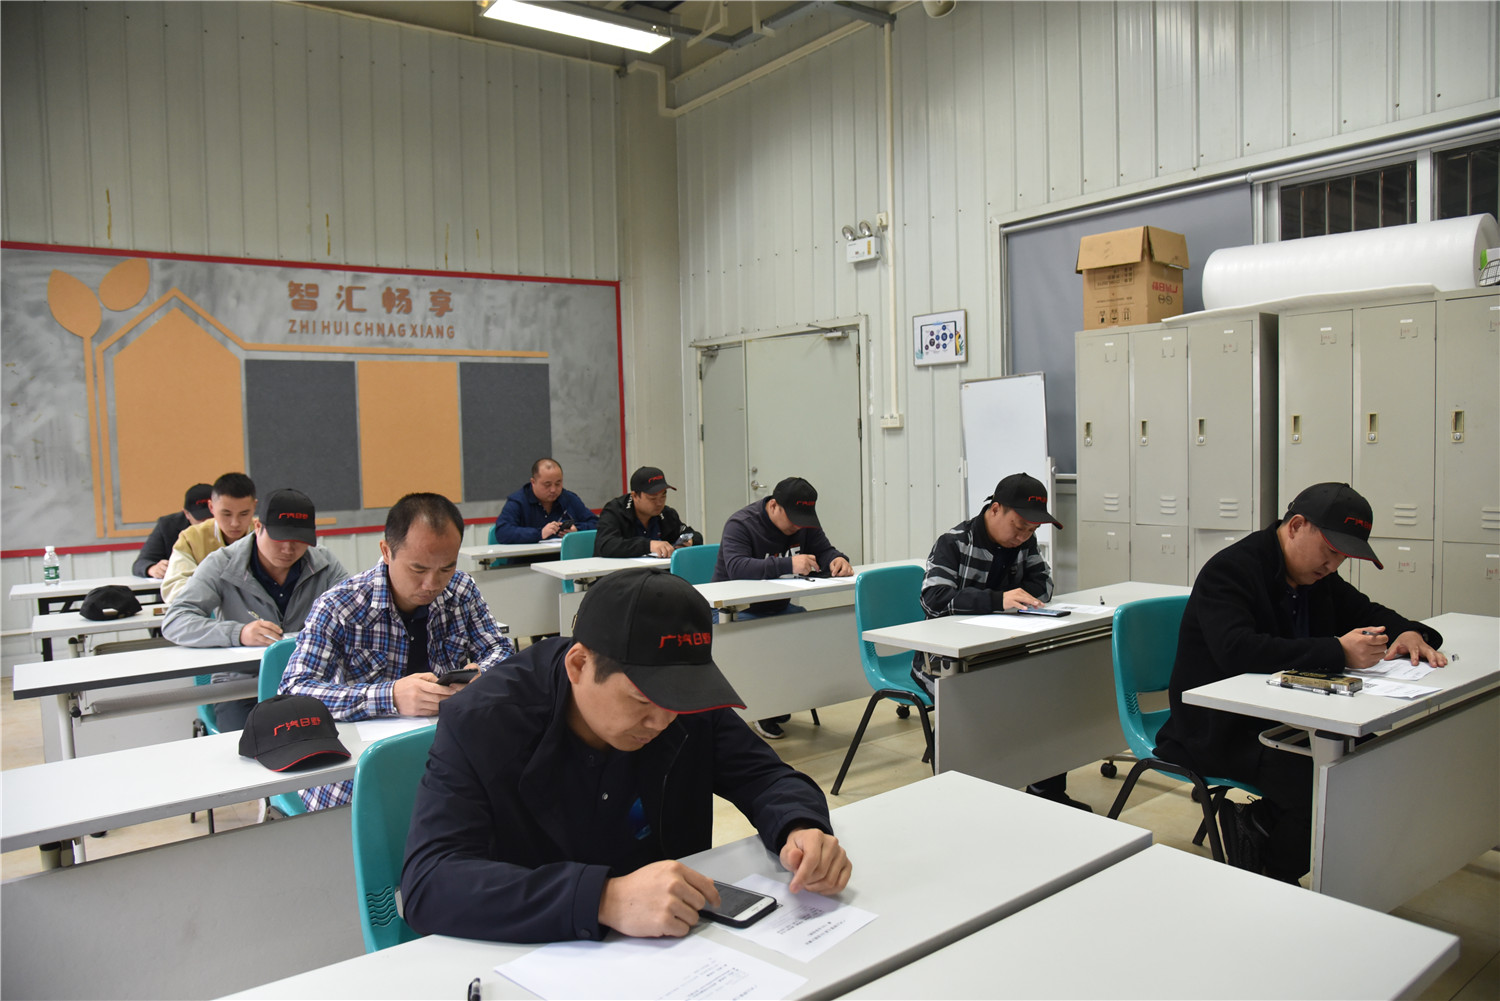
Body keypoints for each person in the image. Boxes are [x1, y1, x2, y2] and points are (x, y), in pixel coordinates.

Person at [401, 568, 852, 944]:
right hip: (547, 952)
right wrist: (602, 899)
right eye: (642, 700)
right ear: (579, 666)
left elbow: (766, 777)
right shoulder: (485, 721)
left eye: (678, 699)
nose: (662, 720)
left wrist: (800, 826)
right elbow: (430, 883)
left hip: (680, 946)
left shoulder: (682, 705)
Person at [1154, 482, 1446, 882]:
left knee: (1373, 763)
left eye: (1342, 558)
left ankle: (1263, 826)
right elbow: (1238, 650)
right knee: (1320, 782)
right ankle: (1276, 877)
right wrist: (1338, 651)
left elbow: (1368, 612)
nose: (1333, 566)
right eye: (1330, 551)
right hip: (1221, 727)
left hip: (1292, 717)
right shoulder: (1232, 570)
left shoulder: (1315, 578)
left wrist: (1410, 633)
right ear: (1295, 526)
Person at [279, 492, 517, 809]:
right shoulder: (340, 605)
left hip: (447, 752)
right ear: (386, 551)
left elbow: (501, 651)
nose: (432, 584)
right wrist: (390, 697)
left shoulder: (461, 590)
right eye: (418, 569)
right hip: (362, 766)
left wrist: (481, 676)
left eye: (446, 568)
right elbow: (294, 691)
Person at [913, 472, 1088, 810]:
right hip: (945, 662)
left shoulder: (1023, 543)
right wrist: (999, 600)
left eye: (1032, 531)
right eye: (1019, 527)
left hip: (1005, 652)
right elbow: (933, 599)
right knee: (973, 706)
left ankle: (1046, 792)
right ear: (995, 509)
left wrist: (1019, 598)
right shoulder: (954, 542)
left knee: (1052, 698)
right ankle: (961, 801)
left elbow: (1044, 585)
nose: (1023, 536)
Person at [162, 489, 350, 731]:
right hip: (242, 685)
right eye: (280, 539)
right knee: (252, 745)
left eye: (299, 540)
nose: (289, 549)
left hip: (309, 680)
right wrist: (238, 633)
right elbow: (175, 620)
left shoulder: (323, 563)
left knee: (332, 742)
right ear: (258, 526)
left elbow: (353, 613)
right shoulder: (222, 563)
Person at [711, 476, 851, 740]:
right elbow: (737, 567)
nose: (798, 526)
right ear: (774, 505)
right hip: (734, 612)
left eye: (803, 520)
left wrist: (837, 559)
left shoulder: (804, 524)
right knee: (764, 638)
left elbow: (824, 550)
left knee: (809, 627)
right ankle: (763, 706)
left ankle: (785, 697)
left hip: (776, 609)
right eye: (793, 519)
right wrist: (789, 564)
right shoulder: (741, 524)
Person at [161, 473, 257, 602]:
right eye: (226, 514)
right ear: (211, 507)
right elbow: (174, 586)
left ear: (254, 507)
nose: (235, 523)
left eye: (244, 514)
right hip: (209, 610)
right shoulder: (191, 537)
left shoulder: (265, 534)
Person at [594, 466, 701, 558]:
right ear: (635, 496)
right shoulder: (614, 512)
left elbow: (693, 535)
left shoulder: (666, 514)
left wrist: (690, 541)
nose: (659, 503)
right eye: (652, 498)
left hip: (658, 572)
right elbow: (606, 545)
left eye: (663, 496)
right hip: (619, 572)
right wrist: (649, 545)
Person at [493, 458, 598, 544]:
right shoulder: (518, 501)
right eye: (547, 485)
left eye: (558, 484)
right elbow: (503, 532)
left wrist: (577, 530)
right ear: (533, 482)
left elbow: (596, 523)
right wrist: (540, 533)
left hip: (563, 559)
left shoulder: (569, 498)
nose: (553, 490)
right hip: (527, 561)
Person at [132, 484, 212, 579]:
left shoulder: (227, 525)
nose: (207, 523)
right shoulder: (168, 526)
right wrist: (153, 568)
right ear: (186, 514)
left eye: (212, 517)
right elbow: (141, 563)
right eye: (201, 519)